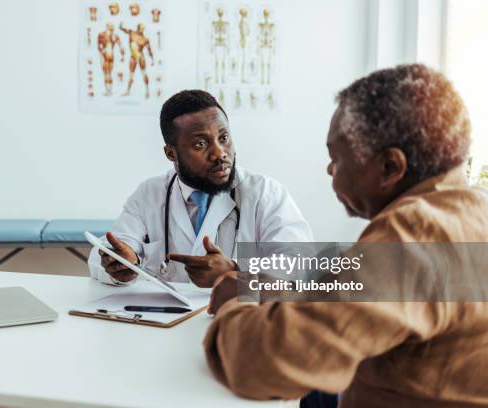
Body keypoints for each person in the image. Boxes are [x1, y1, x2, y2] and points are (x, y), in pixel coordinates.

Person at [204, 64, 488, 407]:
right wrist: (255, 287)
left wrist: (232, 306)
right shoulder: (471, 209)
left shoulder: (413, 235)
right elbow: (352, 291)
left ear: (389, 168)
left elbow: (264, 360)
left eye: (335, 158)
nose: (329, 170)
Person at [88, 89, 313, 287]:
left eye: (223, 137)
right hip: (168, 326)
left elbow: (300, 264)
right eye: (200, 144)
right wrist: (121, 266)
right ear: (171, 153)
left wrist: (235, 271)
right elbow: (102, 256)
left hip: (240, 323)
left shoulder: (265, 193)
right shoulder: (150, 194)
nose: (219, 153)